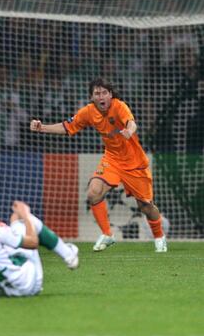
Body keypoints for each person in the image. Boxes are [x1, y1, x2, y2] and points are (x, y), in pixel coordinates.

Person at [30, 78, 167, 253]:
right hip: (112, 160)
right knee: (93, 192)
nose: (101, 96)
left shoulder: (119, 106)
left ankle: (159, 237)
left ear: (110, 95)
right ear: (92, 97)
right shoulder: (88, 112)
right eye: (97, 93)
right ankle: (107, 234)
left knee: (145, 206)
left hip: (134, 163)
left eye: (104, 92)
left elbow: (131, 122)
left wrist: (129, 131)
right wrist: (42, 128)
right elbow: (68, 126)